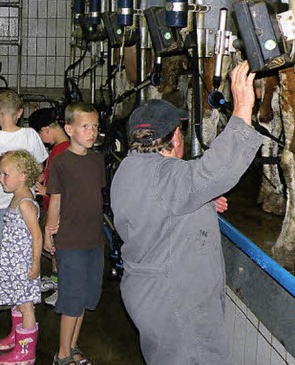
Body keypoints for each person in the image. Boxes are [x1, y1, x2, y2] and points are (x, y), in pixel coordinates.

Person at [110, 61, 262, 365]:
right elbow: (214, 171)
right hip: (176, 303)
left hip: (149, 295)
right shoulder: (167, 177)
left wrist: (201, 203)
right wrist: (242, 108)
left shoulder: (128, 169)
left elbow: (162, 207)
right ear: (176, 137)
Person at [45, 102, 105, 365]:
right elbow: (55, 201)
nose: (91, 132)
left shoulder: (97, 160)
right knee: (71, 299)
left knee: (84, 298)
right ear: (69, 129)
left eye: (94, 127)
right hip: (70, 242)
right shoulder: (60, 163)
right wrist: (49, 231)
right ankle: (61, 354)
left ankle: (72, 346)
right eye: (85, 127)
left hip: (94, 239)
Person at [0, 89, 48, 313]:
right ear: (20, 112)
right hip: (26, 197)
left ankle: (5, 279)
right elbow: (40, 165)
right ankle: (20, 276)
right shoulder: (30, 134)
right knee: (26, 238)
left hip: (3, 201)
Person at [0, 150, 42, 364]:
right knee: (17, 302)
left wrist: (36, 264)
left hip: (24, 265)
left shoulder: (25, 204)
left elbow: (36, 236)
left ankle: (26, 351)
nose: (1, 179)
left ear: (22, 176)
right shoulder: (17, 196)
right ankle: (16, 335)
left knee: (26, 305)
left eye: (5, 174)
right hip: (14, 263)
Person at [28, 107, 70, 307]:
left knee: (60, 249)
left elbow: (67, 185)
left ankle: (64, 289)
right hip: (50, 206)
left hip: (59, 209)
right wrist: (43, 177)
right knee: (54, 248)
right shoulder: (56, 148)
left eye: (39, 135)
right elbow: (52, 174)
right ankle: (55, 278)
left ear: (45, 130)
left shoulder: (65, 150)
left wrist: (47, 191)